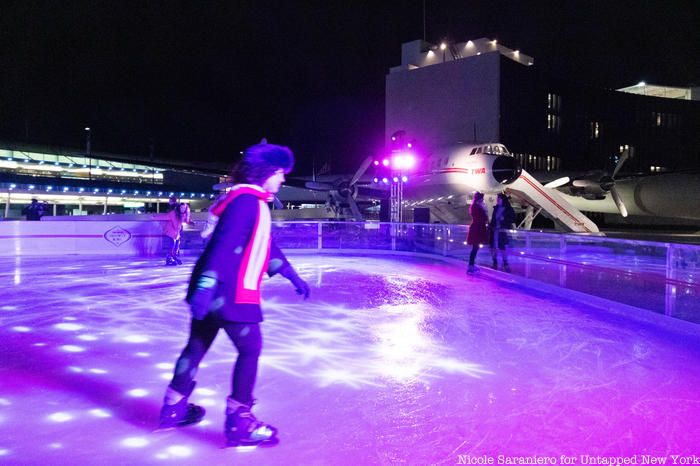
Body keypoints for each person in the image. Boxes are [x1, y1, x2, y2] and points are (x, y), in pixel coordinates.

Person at [158, 142, 310, 448]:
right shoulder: (247, 202)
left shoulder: (244, 200)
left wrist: (291, 274)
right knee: (250, 348)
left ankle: (173, 407)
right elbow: (224, 246)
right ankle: (240, 421)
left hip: (214, 291)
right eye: (280, 173)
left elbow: (264, 245)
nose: (283, 180)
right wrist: (207, 287)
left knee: (196, 346)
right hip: (229, 293)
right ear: (267, 172)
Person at [489, 193, 516, 272]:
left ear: (503, 200)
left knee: (502, 247)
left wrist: (504, 219)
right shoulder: (496, 208)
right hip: (494, 231)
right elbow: (493, 219)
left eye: (499, 199)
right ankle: (495, 261)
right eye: (497, 199)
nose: (497, 200)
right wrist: (491, 226)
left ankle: (505, 263)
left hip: (502, 231)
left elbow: (512, 218)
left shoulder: (508, 209)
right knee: (493, 246)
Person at [466, 191, 488, 274]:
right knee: (475, 248)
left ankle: (471, 265)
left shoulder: (475, 206)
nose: (483, 200)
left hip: (476, 229)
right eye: (482, 199)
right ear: (480, 199)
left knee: (475, 248)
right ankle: (470, 266)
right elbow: (483, 218)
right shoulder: (477, 207)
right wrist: (485, 211)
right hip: (477, 229)